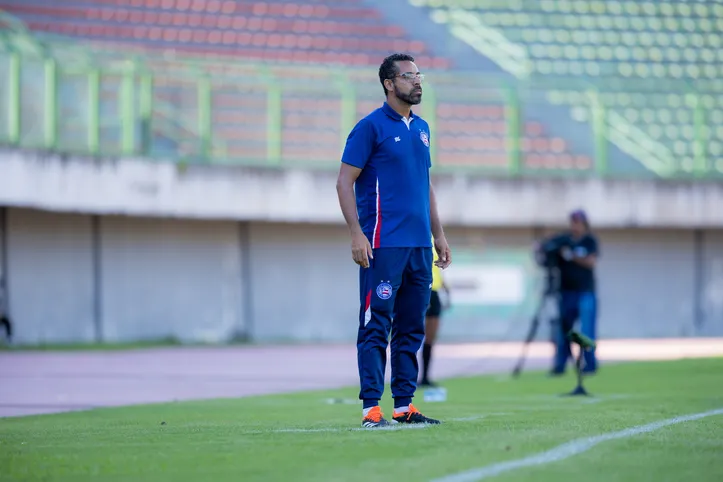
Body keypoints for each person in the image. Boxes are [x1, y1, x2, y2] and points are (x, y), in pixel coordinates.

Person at [335, 53, 452, 428]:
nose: (418, 81)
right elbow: (343, 182)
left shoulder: (422, 128)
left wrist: (439, 235)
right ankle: (372, 408)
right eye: (409, 76)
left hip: (419, 247)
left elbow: (425, 184)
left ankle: (404, 405)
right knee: (375, 326)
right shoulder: (370, 127)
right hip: (383, 245)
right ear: (389, 83)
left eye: (419, 75)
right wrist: (357, 234)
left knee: (411, 328)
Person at [551, 209, 600, 376]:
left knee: (587, 330)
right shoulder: (563, 240)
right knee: (564, 330)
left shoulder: (589, 241)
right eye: (573, 222)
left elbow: (591, 262)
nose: (575, 226)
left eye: (578, 222)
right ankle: (560, 365)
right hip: (566, 292)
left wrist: (571, 256)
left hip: (585, 292)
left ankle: (589, 365)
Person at [420, 238, 450, 387]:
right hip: (422, 290)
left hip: (435, 293)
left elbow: (437, 270)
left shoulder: (434, 239)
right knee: (413, 335)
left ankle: (425, 377)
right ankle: (407, 377)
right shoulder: (418, 236)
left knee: (430, 338)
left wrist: (447, 291)